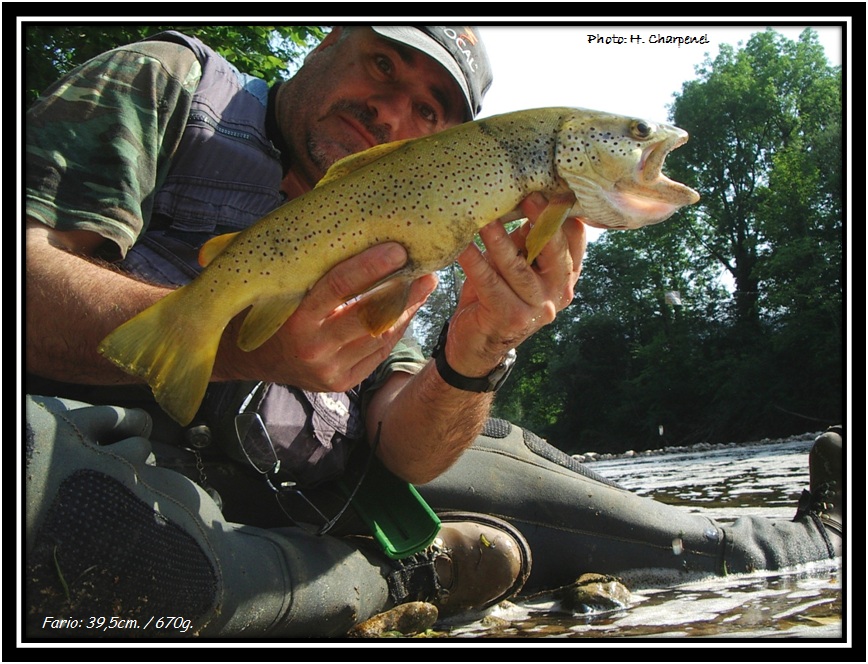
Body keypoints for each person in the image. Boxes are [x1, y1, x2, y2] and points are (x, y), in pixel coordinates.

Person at [24, 26, 843, 638]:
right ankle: (412, 572)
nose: (391, 112)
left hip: (337, 483)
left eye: (430, 108)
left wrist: (477, 353)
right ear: (325, 43)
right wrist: (245, 346)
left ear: (445, 140)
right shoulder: (168, 82)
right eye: (383, 64)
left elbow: (403, 448)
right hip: (115, 456)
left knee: (669, 543)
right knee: (82, 544)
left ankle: (817, 541)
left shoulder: (430, 213)